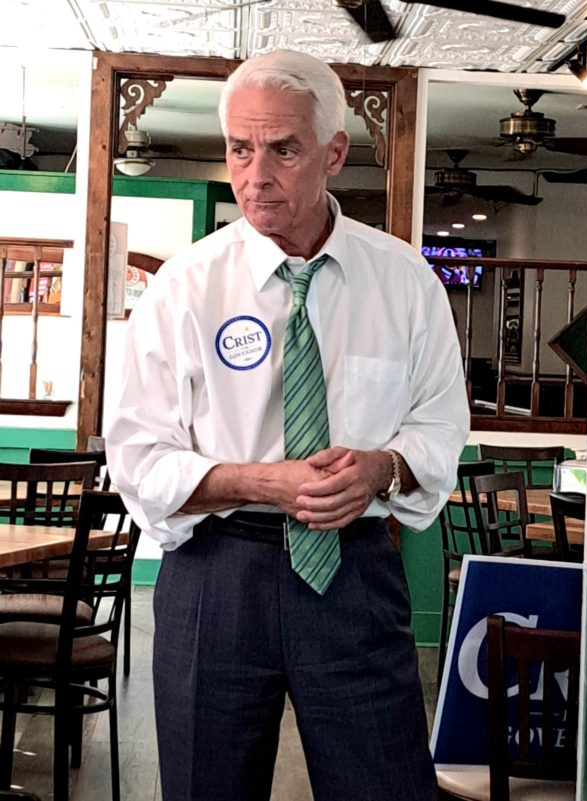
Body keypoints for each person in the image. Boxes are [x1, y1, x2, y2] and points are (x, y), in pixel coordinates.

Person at [106, 48, 469, 801]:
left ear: (335, 152)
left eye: (283, 149)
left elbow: (439, 427)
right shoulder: (185, 288)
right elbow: (138, 454)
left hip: (354, 572)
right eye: (240, 148)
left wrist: (383, 468)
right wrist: (260, 481)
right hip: (217, 575)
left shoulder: (404, 283)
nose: (255, 174)